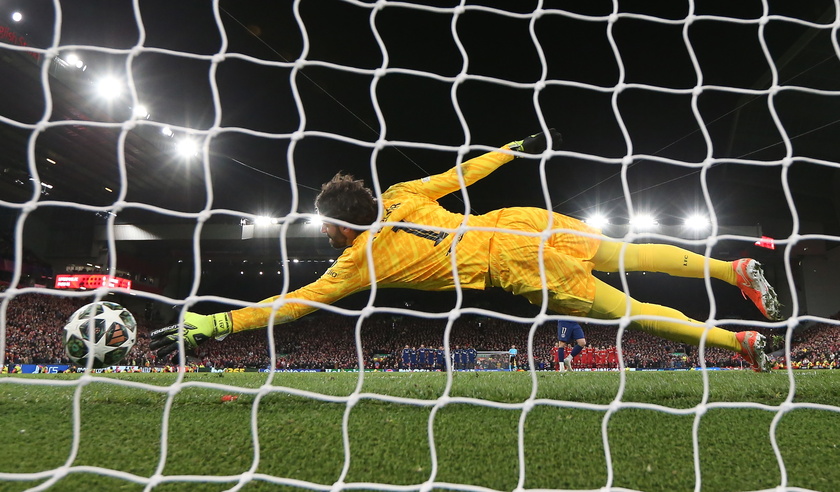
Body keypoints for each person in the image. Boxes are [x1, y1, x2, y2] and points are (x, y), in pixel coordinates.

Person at [150, 130, 782, 372]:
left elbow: (293, 304)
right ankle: (731, 269)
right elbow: (458, 177)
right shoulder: (398, 192)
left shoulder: (356, 262)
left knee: (627, 309)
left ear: (340, 229)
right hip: (517, 222)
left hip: (510, 265)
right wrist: (509, 151)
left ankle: (741, 344)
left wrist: (220, 320)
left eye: (324, 228)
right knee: (628, 250)